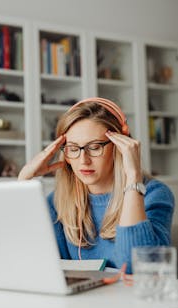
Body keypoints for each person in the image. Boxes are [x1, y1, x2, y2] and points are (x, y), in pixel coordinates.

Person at [18, 97, 175, 273]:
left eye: (94, 147)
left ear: (119, 146)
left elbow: (137, 268)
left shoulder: (154, 194)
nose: (83, 160)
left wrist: (133, 177)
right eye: (73, 148)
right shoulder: (58, 201)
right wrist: (23, 181)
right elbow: (32, 260)